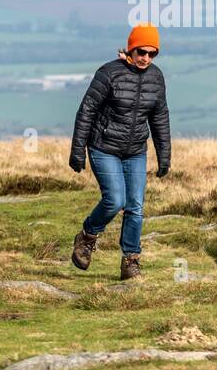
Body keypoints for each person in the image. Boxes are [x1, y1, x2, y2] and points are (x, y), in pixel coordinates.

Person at [68, 24, 171, 280]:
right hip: (104, 147)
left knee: (135, 207)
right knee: (115, 200)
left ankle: (130, 261)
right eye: (141, 52)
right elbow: (87, 110)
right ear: (131, 49)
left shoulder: (156, 78)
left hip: (135, 150)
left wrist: (164, 155)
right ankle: (87, 236)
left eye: (152, 53)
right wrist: (77, 150)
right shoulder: (109, 73)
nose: (146, 58)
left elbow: (160, 118)